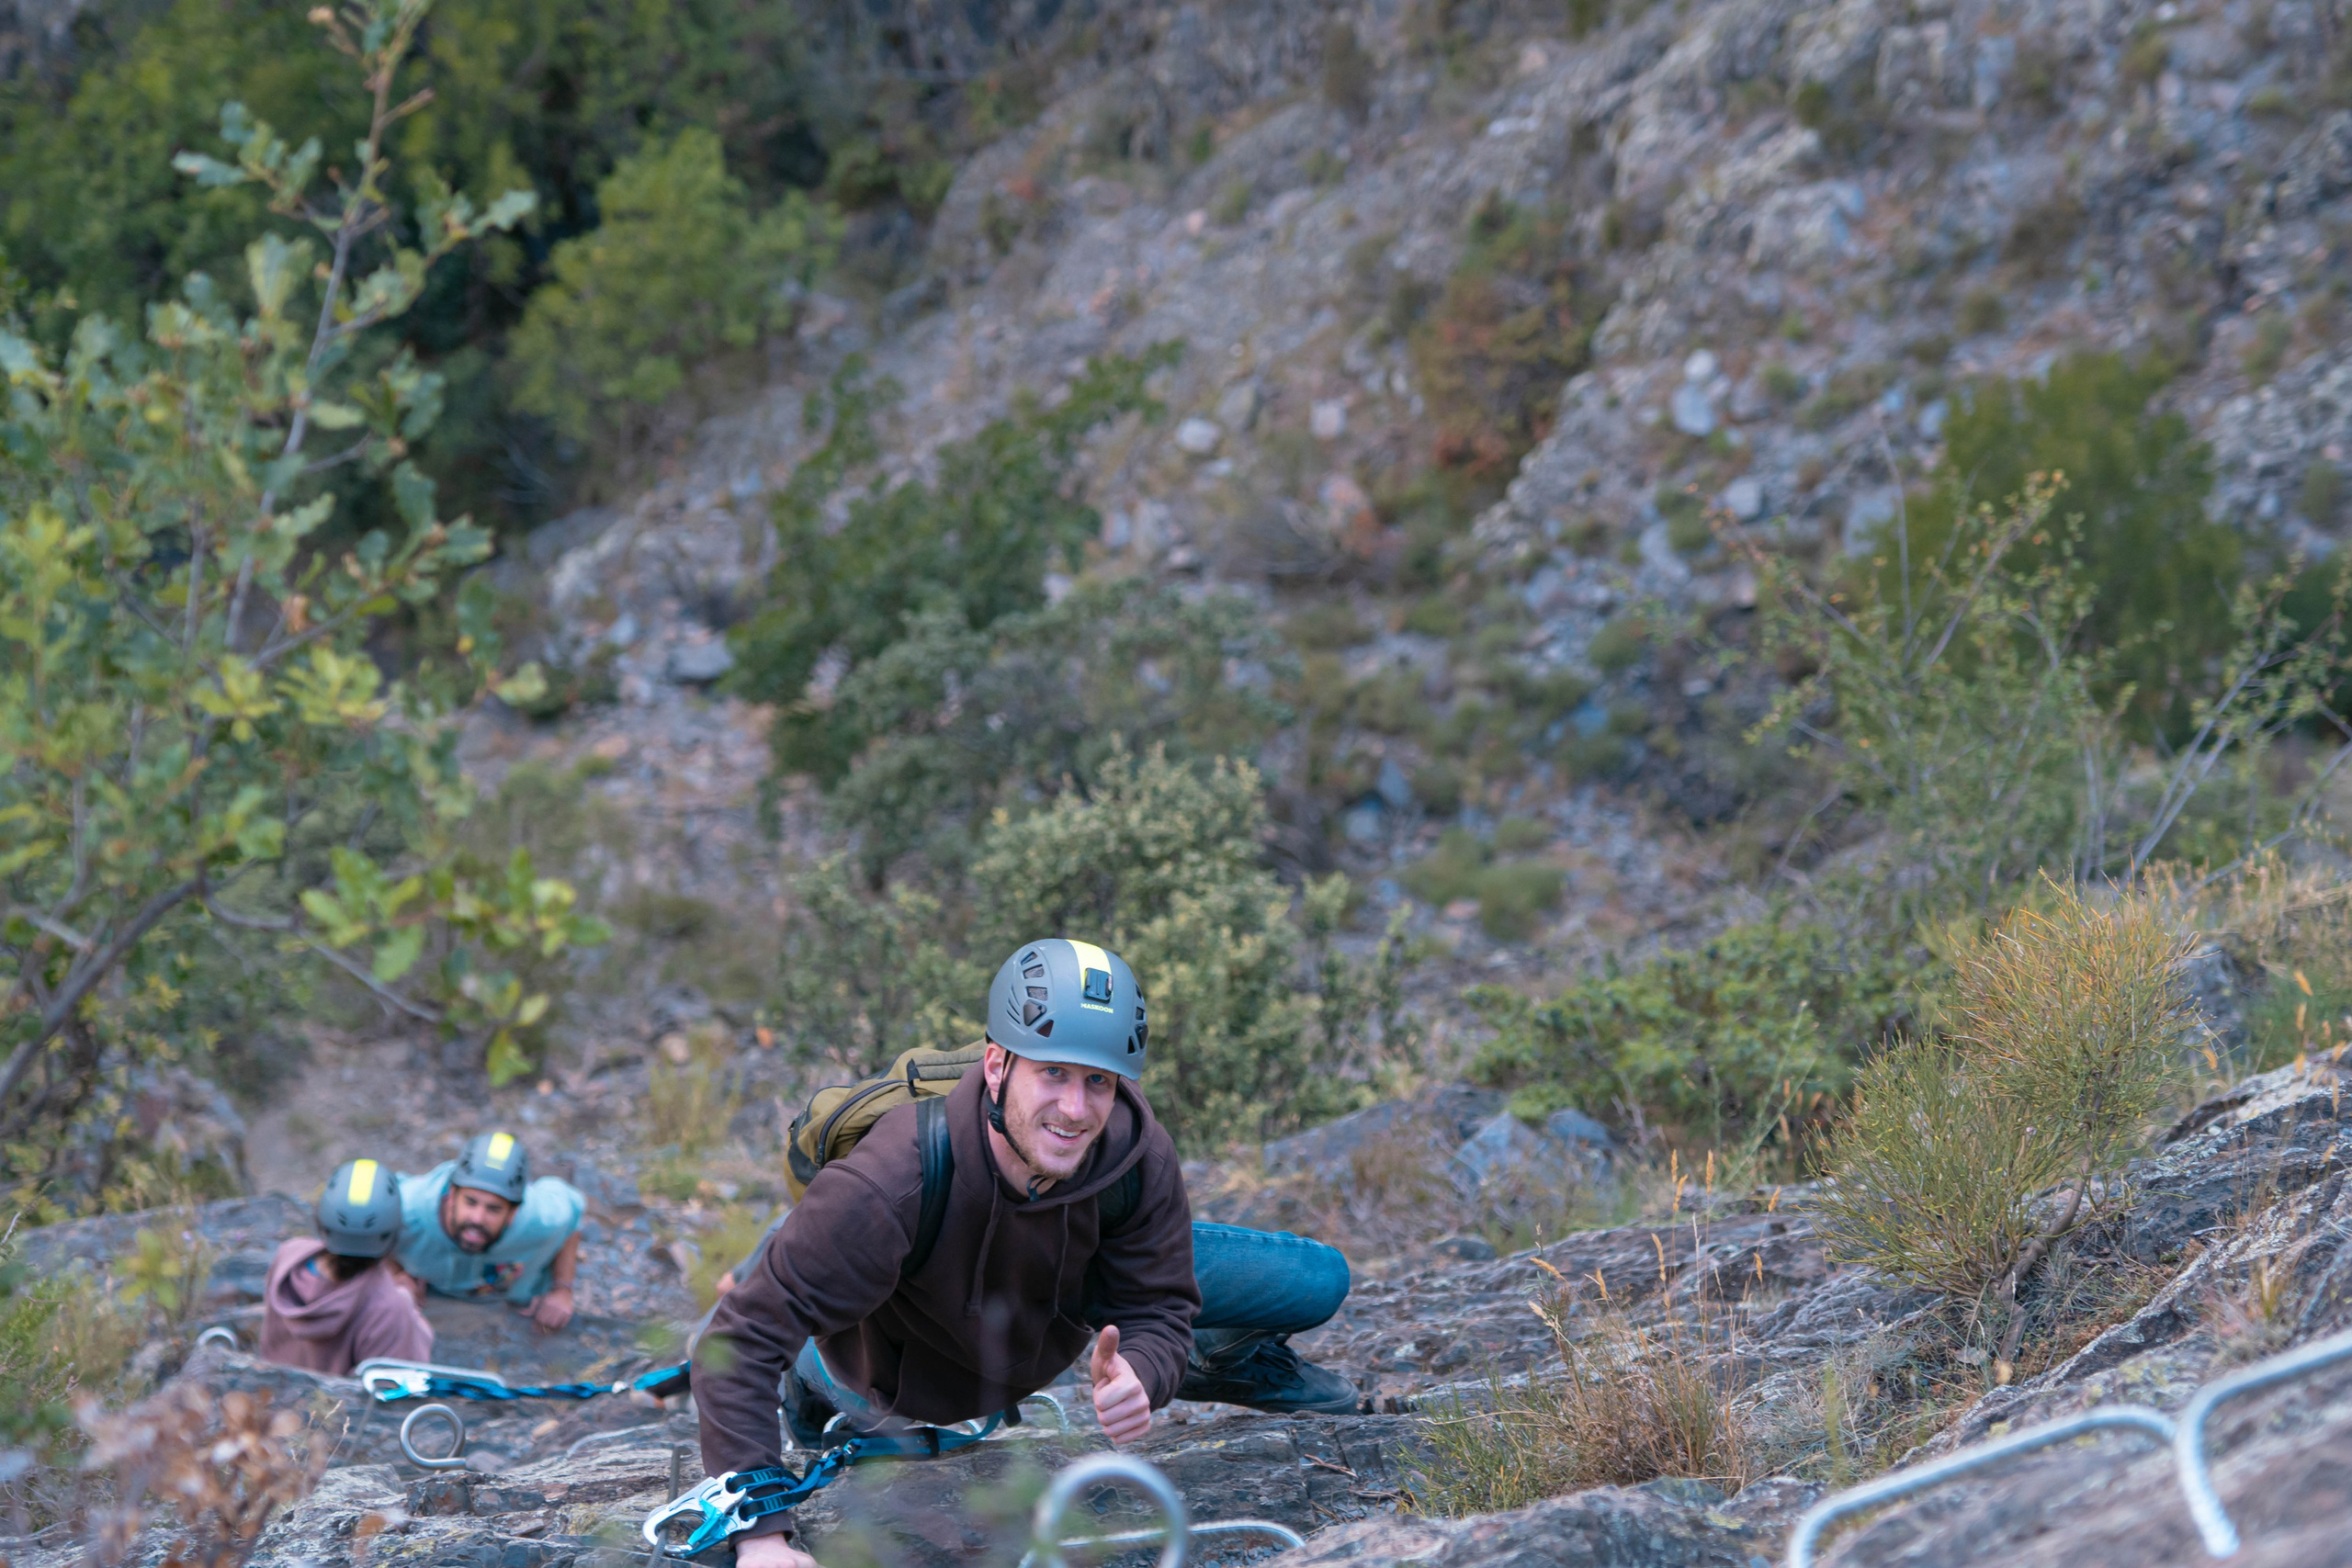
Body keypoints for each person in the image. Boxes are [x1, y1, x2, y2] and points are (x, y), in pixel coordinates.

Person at [695, 939, 1357, 1568]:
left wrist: (1146, 1372)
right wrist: (761, 1533)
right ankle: (809, 1363)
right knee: (834, 1363)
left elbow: (1159, 1304)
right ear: (995, 1066)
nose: (1075, 1108)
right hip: (901, 1364)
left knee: (1320, 1280)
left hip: (1064, 1296)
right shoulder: (891, 1182)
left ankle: (1215, 1363)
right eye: (1053, 1072)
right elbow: (740, 1339)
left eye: (1098, 1079)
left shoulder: (1132, 1152)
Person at [393, 1131, 585, 1331]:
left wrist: (562, 1289)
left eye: (493, 1209)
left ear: (513, 1212)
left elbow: (573, 1219)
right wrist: (394, 1273)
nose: (477, 1218)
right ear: (451, 1196)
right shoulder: (407, 1210)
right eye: (470, 1202)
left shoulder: (542, 1218)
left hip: (510, 1308)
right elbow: (370, 1232)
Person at [259, 1156, 435, 1376]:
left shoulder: (288, 1257)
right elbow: (396, 1392)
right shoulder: (390, 1307)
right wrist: (408, 1307)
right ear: (393, 1231)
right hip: (332, 1410)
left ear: (321, 1220)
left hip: (271, 1396)